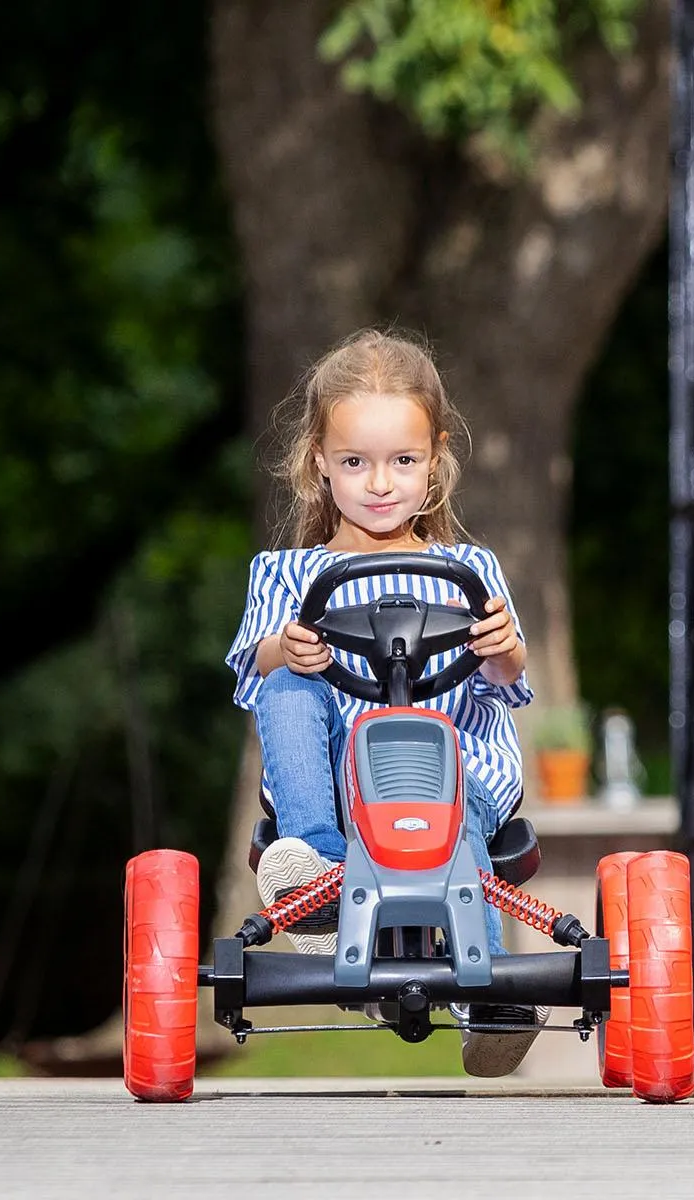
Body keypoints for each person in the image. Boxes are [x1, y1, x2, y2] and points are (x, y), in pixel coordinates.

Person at [224, 328, 546, 1077]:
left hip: (450, 773)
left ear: (434, 463)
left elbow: (508, 674)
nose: (379, 483)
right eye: (355, 462)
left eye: (402, 461)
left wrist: (500, 640)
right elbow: (250, 666)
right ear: (319, 465)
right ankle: (318, 873)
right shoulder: (288, 571)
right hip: (337, 785)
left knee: (459, 829)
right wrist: (286, 646)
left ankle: (490, 995)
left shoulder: (468, 568)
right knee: (285, 678)